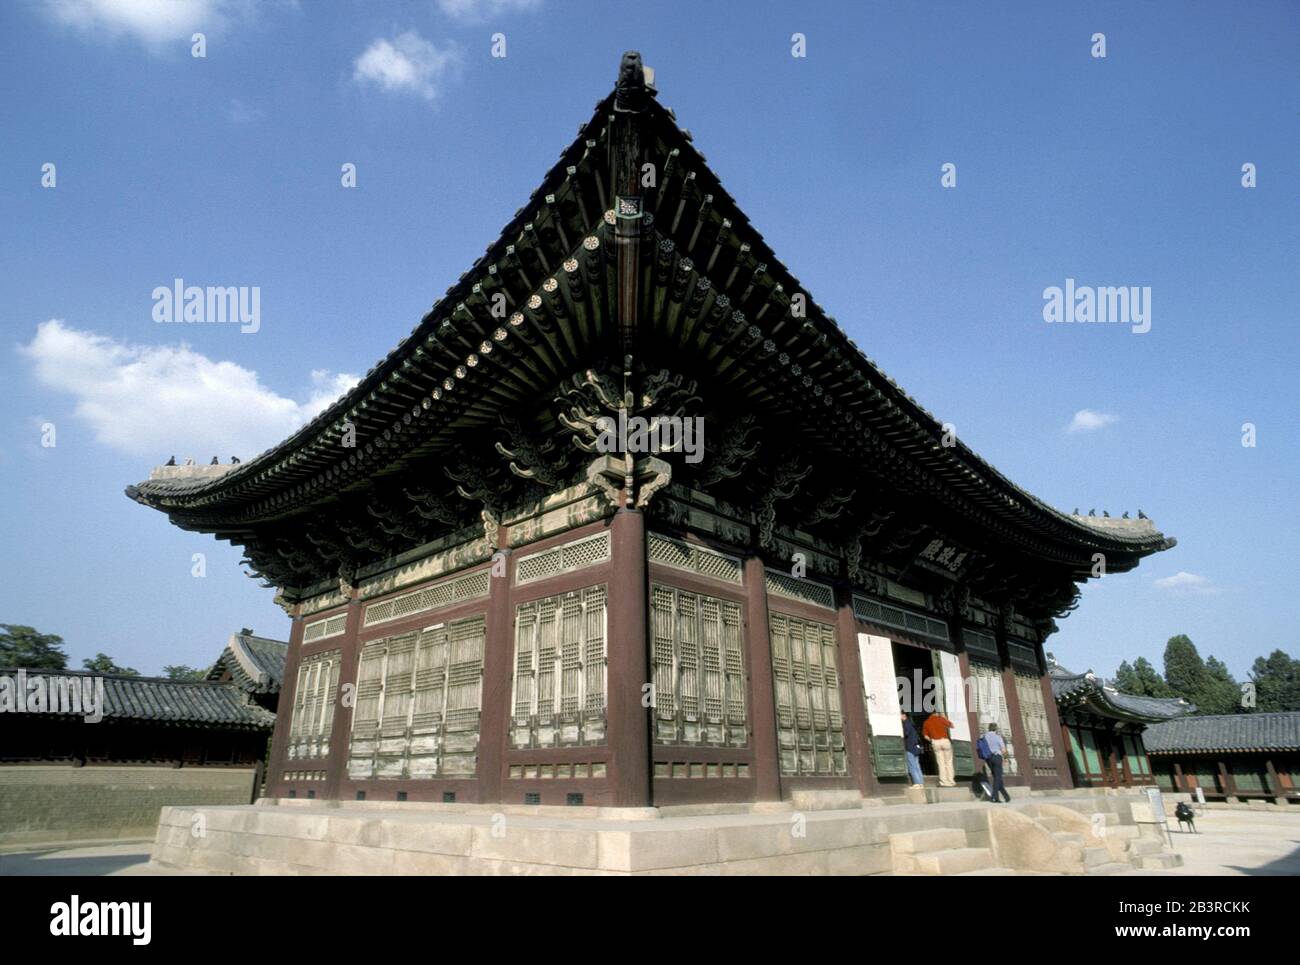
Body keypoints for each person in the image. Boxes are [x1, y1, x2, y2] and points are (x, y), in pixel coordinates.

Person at [922, 710, 956, 787]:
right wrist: (944, 717)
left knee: (941, 763)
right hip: (944, 741)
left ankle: (943, 781)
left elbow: (925, 736)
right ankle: (951, 781)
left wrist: (932, 740)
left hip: (935, 742)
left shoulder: (926, 722)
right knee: (948, 762)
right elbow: (952, 725)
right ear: (936, 713)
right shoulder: (940, 719)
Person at [982, 723, 1012, 803]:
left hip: (988, 759)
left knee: (997, 777)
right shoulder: (998, 737)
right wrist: (1006, 759)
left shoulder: (985, 737)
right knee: (997, 777)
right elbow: (1003, 749)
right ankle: (994, 797)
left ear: (989, 728)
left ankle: (1006, 797)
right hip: (997, 757)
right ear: (996, 729)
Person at [901, 712, 924, 788]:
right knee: (917, 765)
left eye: (900, 715)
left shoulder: (906, 723)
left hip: (910, 747)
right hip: (915, 747)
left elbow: (906, 733)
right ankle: (921, 783)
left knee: (912, 765)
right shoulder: (912, 724)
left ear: (904, 716)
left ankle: (917, 783)